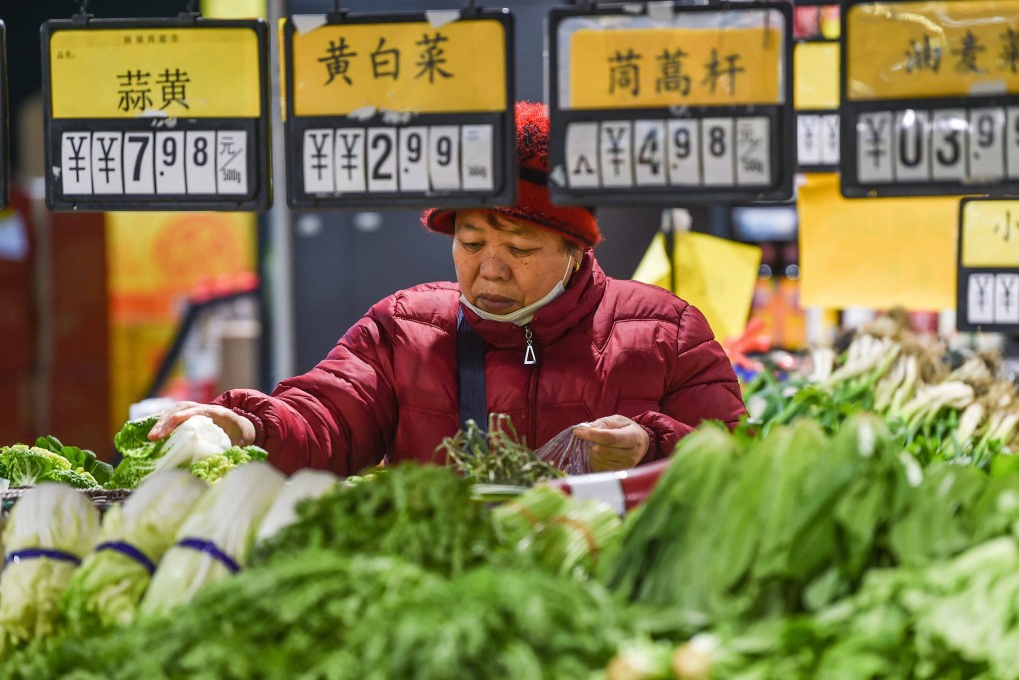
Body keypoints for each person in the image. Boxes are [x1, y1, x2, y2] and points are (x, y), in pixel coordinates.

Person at [149, 101, 746, 476]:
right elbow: (328, 417)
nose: (490, 268)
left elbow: (735, 456)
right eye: (470, 241)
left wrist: (652, 443)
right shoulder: (404, 327)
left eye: (519, 248)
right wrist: (252, 427)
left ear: (575, 249)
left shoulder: (667, 332)